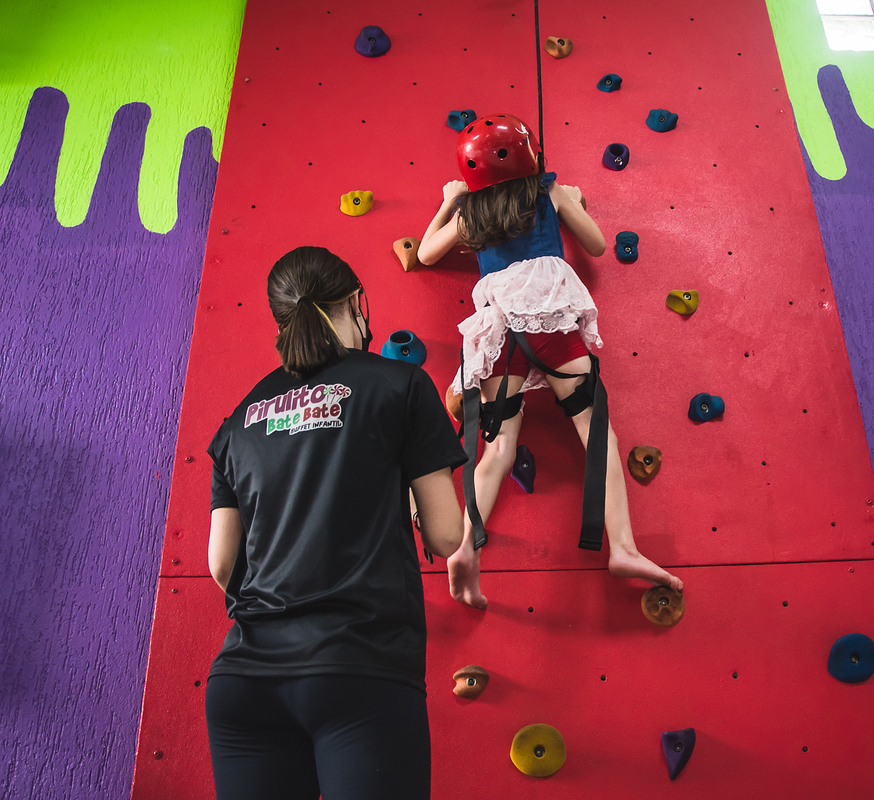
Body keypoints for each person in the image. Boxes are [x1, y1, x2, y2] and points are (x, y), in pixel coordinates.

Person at [203, 246, 466, 800]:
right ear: (353, 304)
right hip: (359, 667)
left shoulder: (239, 420)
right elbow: (446, 536)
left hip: (245, 679)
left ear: (282, 321)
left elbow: (221, 564)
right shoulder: (401, 385)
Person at [417, 113, 683, 610]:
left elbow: (428, 254)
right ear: (530, 155)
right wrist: (574, 202)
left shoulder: (469, 211)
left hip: (498, 332)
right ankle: (622, 546)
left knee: (496, 453)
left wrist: (449, 200)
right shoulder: (548, 193)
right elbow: (599, 245)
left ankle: (464, 547)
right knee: (597, 433)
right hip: (549, 325)